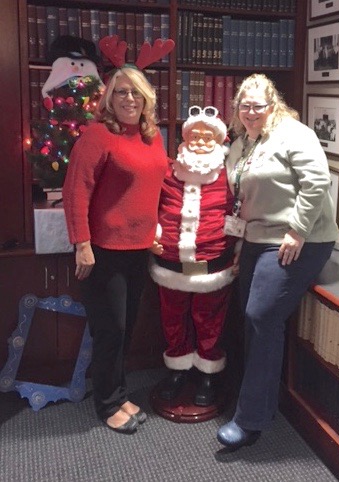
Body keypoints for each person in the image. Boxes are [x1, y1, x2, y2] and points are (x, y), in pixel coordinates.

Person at [216, 74, 339, 449]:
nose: (251, 112)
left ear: (273, 105)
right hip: (257, 237)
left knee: (261, 316)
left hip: (298, 239)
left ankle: (251, 419)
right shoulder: (241, 142)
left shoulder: (294, 134)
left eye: (258, 105)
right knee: (247, 316)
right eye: (244, 105)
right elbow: (244, 199)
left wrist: (298, 230)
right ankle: (252, 396)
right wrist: (241, 243)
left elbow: (317, 181)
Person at [62, 65, 169, 434]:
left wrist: (155, 231)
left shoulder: (152, 136)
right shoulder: (97, 136)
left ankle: (120, 394)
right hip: (104, 250)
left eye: (136, 92)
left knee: (126, 329)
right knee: (110, 330)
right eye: (121, 92)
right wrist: (82, 244)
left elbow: (155, 187)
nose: (129, 99)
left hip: (140, 249)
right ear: (109, 98)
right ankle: (108, 404)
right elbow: (75, 192)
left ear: (146, 98)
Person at [150, 106, 237, 407]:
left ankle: (207, 373)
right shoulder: (168, 171)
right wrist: (153, 234)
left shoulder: (229, 176)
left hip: (213, 262)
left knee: (209, 319)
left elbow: (240, 213)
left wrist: (240, 251)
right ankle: (178, 369)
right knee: (172, 317)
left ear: (219, 141)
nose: (200, 142)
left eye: (207, 137)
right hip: (170, 262)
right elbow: (150, 204)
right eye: (194, 136)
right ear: (184, 139)